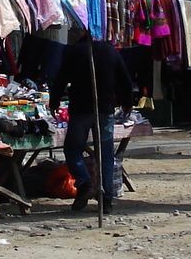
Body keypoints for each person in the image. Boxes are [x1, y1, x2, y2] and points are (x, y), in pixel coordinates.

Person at [49, 33, 136, 213]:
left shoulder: (73, 51)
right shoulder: (111, 52)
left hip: (80, 109)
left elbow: (60, 79)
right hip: (104, 109)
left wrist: (55, 102)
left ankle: (84, 182)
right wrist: (128, 103)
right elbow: (125, 80)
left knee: (73, 148)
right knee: (105, 154)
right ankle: (106, 198)